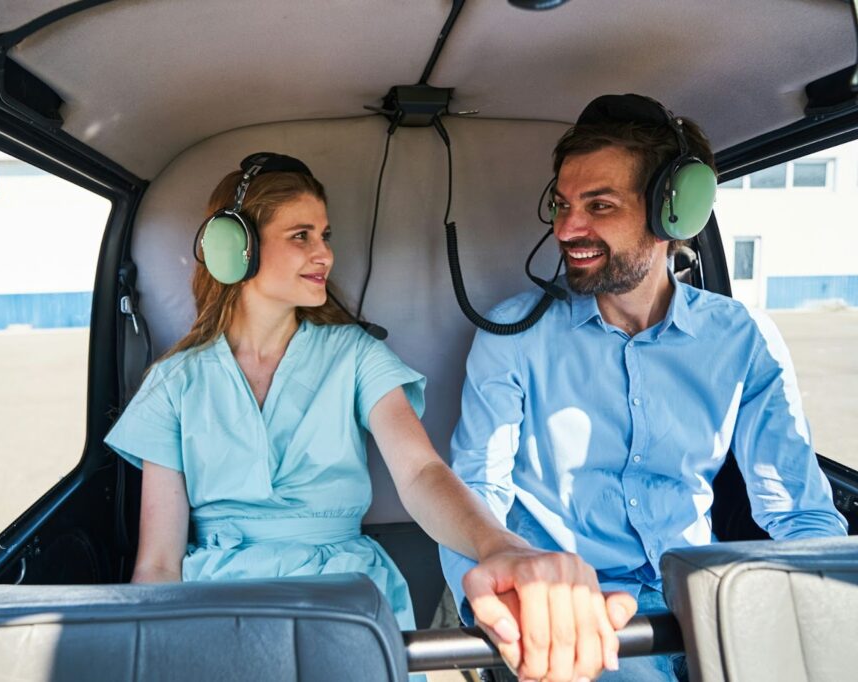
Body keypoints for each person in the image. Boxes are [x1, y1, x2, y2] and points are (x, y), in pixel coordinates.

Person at [105, 152, 635, 679]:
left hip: (342, 599)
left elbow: (420, 472)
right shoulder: (174, 382)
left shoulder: (356, 355)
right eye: (301, 236)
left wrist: (498, 546)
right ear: (235, 249)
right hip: (215, 607)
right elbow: (157, 562)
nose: (324, 255)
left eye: (325, 235)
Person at [441, 94, 849, 681]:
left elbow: (800, 511)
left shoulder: (741, 338)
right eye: (560, 205)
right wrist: (498, 606)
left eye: (598, 205)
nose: (566, 229)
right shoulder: (514, 335)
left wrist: (825, 609)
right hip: (580, 612)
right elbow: (475, 491)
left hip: (707, 597)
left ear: (672, 214)